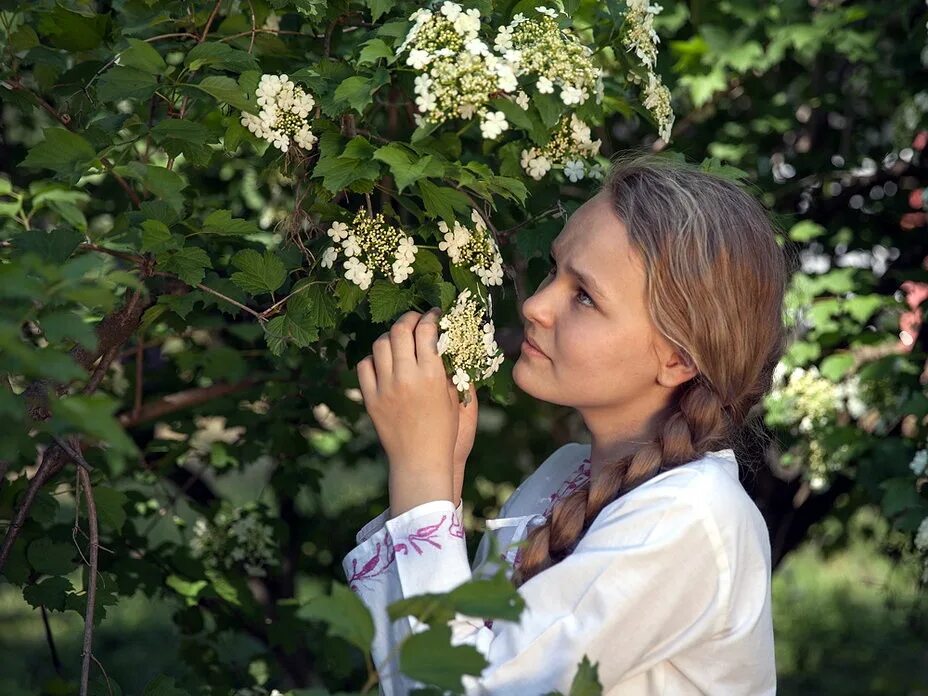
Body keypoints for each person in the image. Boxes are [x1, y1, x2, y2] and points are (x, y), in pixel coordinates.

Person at [341, 150, 793, 695]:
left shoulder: (693, 519)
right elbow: (431, 667)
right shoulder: (563, 477)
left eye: (584, 296)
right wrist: (443, 475)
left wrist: (419, 478)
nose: (535, 305)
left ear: (677, 358)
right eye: (554, 270)